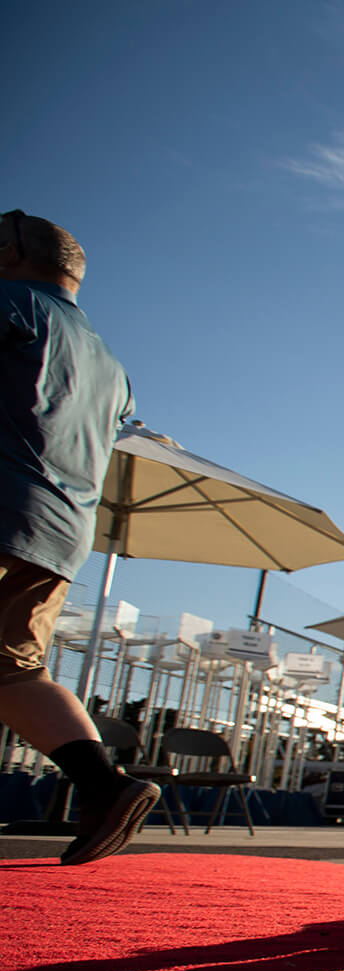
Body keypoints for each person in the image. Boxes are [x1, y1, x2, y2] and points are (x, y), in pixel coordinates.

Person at [0, 210, 159, 864]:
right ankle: (102, 785)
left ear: (10, 252)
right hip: (61, 530)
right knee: (13, 670)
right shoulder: (112, 366)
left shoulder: (12, 305)